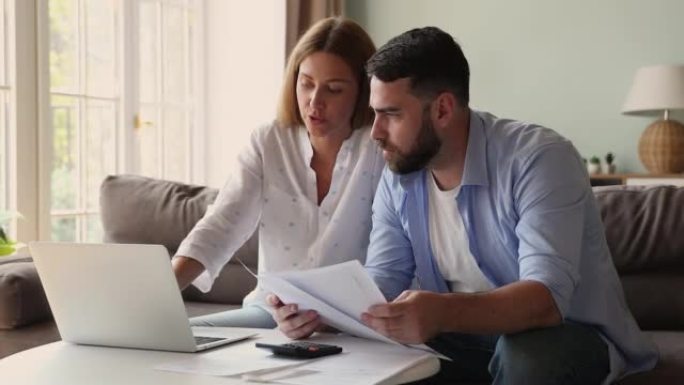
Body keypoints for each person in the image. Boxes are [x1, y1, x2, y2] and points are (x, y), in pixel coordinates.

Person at [274, 27, 658, 384]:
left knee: (524, 356)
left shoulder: (539, 159)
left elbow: (545, 300)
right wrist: (319, 316)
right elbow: (384, 282)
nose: (375, 132)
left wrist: (440, 312)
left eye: (391, 114)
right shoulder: (400, 175)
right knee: (368, 355)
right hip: (460, 338)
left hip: (565, 335)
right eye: (375, 113)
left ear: (442, 109)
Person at [172, 17, 383, 328]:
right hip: (271, 313)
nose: (315, 102)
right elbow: (221, 224)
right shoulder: (268, 141)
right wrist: (161, 292)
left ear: (363, 91)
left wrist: (334, 318)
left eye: (334, 90)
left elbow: (394, 260)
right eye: (306, 83)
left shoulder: (380, 148)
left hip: (355, 320)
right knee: (190, 335)